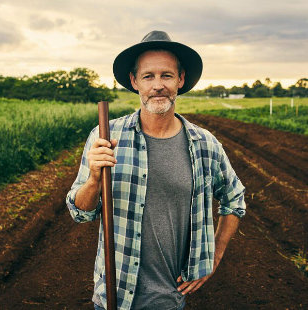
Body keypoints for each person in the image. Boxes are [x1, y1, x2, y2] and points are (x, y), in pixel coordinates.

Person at [66, 30, 246, 310]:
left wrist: (214, 254)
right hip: (113, 297)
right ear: (134, 81)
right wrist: (92, 180)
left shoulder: (205, 145)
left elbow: (235, 199)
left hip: (170, 299)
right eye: (148, 76)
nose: (158, 85)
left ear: (180, 80)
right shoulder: (105, 136)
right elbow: (80, 213)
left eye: (167, 75)